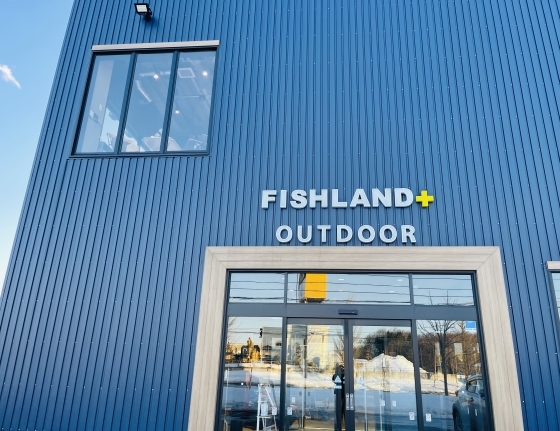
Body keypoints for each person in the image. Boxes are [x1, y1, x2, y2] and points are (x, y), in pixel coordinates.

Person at [332, 364, 345, 431]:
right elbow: (334, 379)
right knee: (341, 409)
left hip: (340, 393)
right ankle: (340, 421)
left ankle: (340, 421)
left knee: (339, 408)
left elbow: (333, 379)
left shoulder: (337, 375)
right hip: (341, 393)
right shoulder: (341, 375)